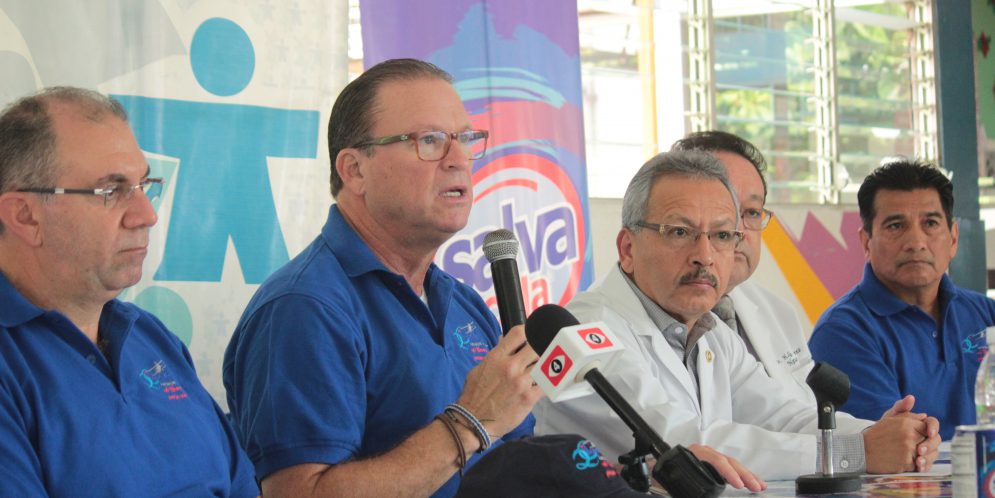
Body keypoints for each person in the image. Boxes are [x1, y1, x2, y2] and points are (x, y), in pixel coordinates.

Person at [222, 59, 543, 498]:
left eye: (465, 139)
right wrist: (471, 422)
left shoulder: (462, 303)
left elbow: (518, 457)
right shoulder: (304, 308)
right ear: (355, 170)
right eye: (429, 141)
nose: (458, 161)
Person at [534, 150, 941, 481]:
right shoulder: (583, 328)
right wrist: (855, 451)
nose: (704, 255)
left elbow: (783, 414)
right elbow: (680, 443)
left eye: (722, 235)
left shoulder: (709, 331)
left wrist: (881, 434)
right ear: (627, 248)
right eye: (680, 232)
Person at [0, 87, 258, 497]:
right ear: (26, 216)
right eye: (111, 190)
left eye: (145, 184)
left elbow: (241, 485)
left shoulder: (150, 335)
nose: (147, 214)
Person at [809, 159, 995, 440]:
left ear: (953, 239)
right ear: (866, 242)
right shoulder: (843, 332)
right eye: (896, 226)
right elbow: (896, 448)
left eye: (930, 223)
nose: (916, 242)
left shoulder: (986, 314)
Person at [672, 131, 814, 404]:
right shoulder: (630, 323)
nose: (737, 231)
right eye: (722, 210)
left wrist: (870, 429)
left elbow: (803, 414)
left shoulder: (779, 313)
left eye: (751, 212)